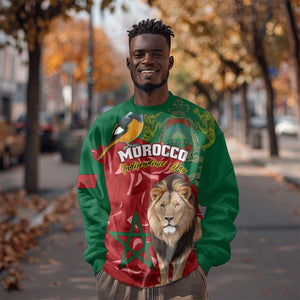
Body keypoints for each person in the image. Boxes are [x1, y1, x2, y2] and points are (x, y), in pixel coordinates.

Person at [77, 19, 239, 299]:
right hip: (118, 276)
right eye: (139, 54)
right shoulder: (106, 126)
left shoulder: (200, 124)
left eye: (157, 54)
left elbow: (223, 195)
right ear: (129, 62)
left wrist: (207, 257)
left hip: (183, 278)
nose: (147, 60)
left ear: (170, 61)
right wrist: (98, 259)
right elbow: (90, 194)